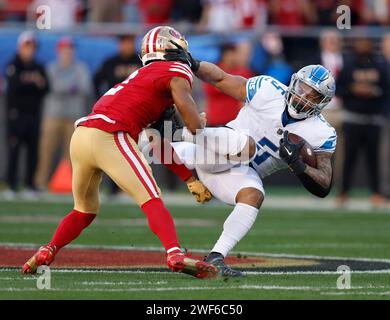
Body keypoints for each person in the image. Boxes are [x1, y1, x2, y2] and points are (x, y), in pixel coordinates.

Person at [21, 26, 224, 279]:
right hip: (110, 136)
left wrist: (189, 178)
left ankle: (47, 250)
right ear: (173, 47)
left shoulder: (140, 79)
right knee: (151, 199)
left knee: (84, 211)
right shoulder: (175, 70)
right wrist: (199, 123)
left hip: (82, 135)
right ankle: (175, 254)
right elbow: (193, 126)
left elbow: (157, 141)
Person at [164, 47, 336, 276]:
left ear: (321, 102)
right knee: (245, 146)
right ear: (294, 82)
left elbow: (324, 184)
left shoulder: (322, 132)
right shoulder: (269, 89)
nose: (303, 96)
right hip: (216, 151)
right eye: (303, 88)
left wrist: (298, 165)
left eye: (312, 95)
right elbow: (221, 78)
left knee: (254, 195)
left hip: (236, 174)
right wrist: (193, 63)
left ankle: (216, 257)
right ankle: (190, 133)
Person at [336, 37, 389, 208]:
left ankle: (376, 192)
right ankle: (343, 192)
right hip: (352, 118)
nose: (363, 45)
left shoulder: (380, 66)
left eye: (365, 42)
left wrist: (374, 92)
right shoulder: (349, 65)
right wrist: (353, 89)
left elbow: (386, 90)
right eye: (360, 42)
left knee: (373, 159)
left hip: (373, 120)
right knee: (348, 159)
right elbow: (339, 88)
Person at [35, 36, 92, 190]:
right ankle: (40, 182)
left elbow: (85, 88)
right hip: (53, 115)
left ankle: (75, 185)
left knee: (74, 154)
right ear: (59, 50)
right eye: (65, 49)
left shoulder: (80, 67)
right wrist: (71, 88)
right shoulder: (51, 68)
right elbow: (53, 87)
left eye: (70, 48)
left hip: (74, 116)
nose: (67, 52)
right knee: (46, 151)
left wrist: (66, 88)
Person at [93, 34, 142, 196]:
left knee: (138, 151)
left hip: (137, 112)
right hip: (115, 113)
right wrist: (102, 99)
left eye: (129, 42)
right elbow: (96, 80)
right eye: (124, 42)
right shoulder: (111, 62)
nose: (127, 46)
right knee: (114, 151)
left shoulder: (140, 61)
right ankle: (114, 188)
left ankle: (136, 187)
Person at [4, 31, 48, 199]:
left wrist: (34, 84)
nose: (30, 50)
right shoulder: (13, 65)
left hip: (33, 114)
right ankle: (11, 185)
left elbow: (45, 88)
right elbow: (15, 87)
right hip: (16, 115)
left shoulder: (38, 67)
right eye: (27, 46)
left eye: (32, 47)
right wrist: (33, 83)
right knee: (14, 150)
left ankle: (30, 184)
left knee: (33, 152)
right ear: (20, 47)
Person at [203, 43, 253, 126]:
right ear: (224, 55)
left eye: (234, 54)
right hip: (216, 119)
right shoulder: (213, 71)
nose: (232, 57)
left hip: (235, 120)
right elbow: (209, 89)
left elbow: (247, 96)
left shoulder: (244, 71)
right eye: (230, 54)